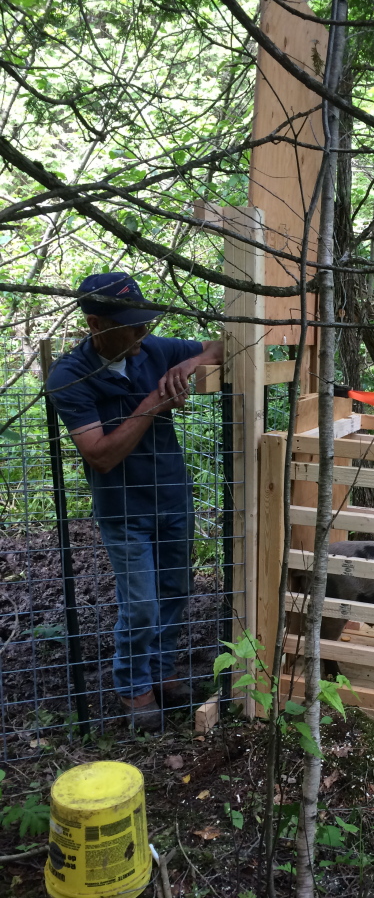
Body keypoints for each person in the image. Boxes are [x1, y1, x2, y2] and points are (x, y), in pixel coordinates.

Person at [47, 272, 223, 731]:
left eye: (146, 324)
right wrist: (151, 403)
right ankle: (132, 688)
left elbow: (228, 343)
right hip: (123, 510)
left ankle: (161, 670)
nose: (144, 335)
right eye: (133, 326)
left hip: (172, 494)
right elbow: (100, 455)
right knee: (141, 603)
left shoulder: (155, 349)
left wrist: (191, 364)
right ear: (96, 325)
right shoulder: (70, 376)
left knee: (177, 591)